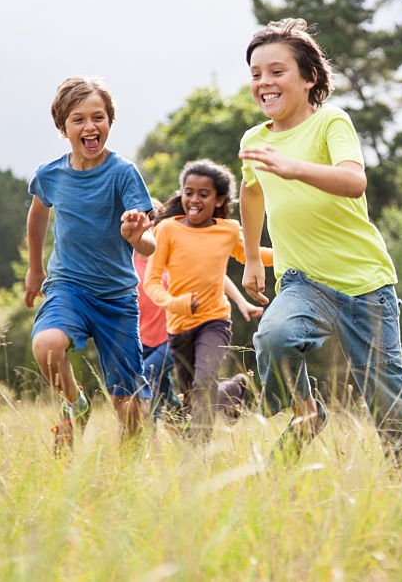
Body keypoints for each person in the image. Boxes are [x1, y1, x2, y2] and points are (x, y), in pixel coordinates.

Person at [238, 18, 402, 466]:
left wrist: (294, 168)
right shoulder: (254, 141)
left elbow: (353, 180)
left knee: (388, 403)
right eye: (256, 74)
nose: (264, 82)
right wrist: (251, 257)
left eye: (276, 71)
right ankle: (307, 412)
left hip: (365, 285)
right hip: (302, 282)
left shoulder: (331, 121)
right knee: (273, 337)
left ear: (309, 79)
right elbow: (250, 191)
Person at [24, 76, 154, 454]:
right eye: (78, 120)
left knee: (128, 405)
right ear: (62, 128)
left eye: (98, 117)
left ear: (110, 122)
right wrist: (35, 268)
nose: (90, 127)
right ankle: (77, 405)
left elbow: (149, 244)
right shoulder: (50, 175)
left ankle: (128, 471)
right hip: (69, 287)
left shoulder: (123, 173)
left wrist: (135, 235)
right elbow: (37, 215)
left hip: (116, 298)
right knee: (47, 346)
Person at [142, 159, 268, 443]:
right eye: (189, 192)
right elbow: (151, 283)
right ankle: (232, 392)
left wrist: (294, 252)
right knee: (192, 400)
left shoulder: (227, 230)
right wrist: (178, 304)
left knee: (202, 383)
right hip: (178, 329)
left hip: (214, 322)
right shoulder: (168, 230)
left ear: (219, 199)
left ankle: (198, 452)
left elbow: (254, 255)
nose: (194, 200)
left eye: (203, 194)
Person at [133, 246, 253, 426]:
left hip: (175, 333)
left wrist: (241, 301)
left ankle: (149, 438)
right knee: (167, 395)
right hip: (143, 339)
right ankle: (228, 392)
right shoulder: (127, 259)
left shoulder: (170, 251)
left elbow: (214, 273)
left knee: (149, 373)